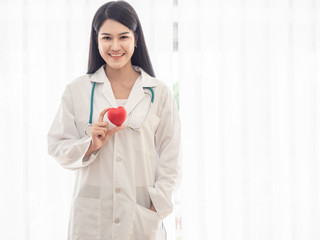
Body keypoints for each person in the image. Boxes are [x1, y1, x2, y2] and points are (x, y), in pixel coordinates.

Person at [47, 1, 181, 240]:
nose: (115, 46)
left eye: (123, 37)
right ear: (96, 40)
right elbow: (56, 147)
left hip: (139, 217)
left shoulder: (158, 93)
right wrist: (90, 144)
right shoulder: (77, 90)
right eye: (107, 38)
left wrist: (156, 208)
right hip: (90, 220)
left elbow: (172, 159)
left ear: (136, 38)